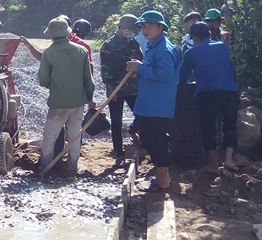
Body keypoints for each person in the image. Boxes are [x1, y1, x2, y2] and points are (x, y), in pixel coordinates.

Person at [126, 10, 180, 191]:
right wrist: (140, 71)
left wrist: (140, 69)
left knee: (157, 141)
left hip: (158, 104)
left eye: (150, 26)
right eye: (143, 26)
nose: (145, 29)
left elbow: (165, 74)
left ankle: (163, 180)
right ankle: (163, 177)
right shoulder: (154, 46)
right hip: (151, 103)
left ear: (160, 27)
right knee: (150, 139)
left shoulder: (163, 49)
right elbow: (154, 71)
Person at [179, 22, 241, 174]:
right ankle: (229, 160)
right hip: (230, 92)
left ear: (194, 37)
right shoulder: (224, 47)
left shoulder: (191, 52)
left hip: (207, 94)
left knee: (208, 130)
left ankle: (214, 166)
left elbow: (181, 78)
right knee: (230, 127)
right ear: (210, 34)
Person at [37, 17, 96, 174]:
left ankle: (46, 167)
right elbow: (89, 80)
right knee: (75, 137)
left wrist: (52, 84)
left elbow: (43, 80)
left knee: (50, 137)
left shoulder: (48, 53)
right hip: (78, 103)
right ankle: (71, 168)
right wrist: (89, 98)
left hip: (58, 103)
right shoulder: (82, 51)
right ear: (68, 33)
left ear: (52, 35)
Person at [99, 14, 143, 160]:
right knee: (116, 121)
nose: (131, 32)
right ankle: (118, 152)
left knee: (141, 115)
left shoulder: (134, 43)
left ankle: (140, 140)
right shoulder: (108, 45)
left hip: (133, 88)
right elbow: (106, 69)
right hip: (116, 89)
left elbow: (140, 61)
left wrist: (137, 71)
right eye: (129, 29)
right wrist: (110, 88)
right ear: (121, 28)